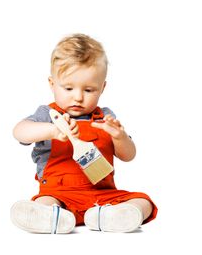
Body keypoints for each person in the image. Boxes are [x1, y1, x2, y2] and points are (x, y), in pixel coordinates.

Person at [10, 33, 158, 234]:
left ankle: (108, 218)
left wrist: (119, 137)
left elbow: (129, 155)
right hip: (59, 194)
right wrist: (52, 130)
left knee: (143, 201)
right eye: (69, 88)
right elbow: (19, 132)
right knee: (45, 201)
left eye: (89, 90)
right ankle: (51, 216)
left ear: (102, 88)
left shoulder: (105, 117)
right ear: (52, 84)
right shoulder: (48, 115)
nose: (78, 97)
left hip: (103, 196)